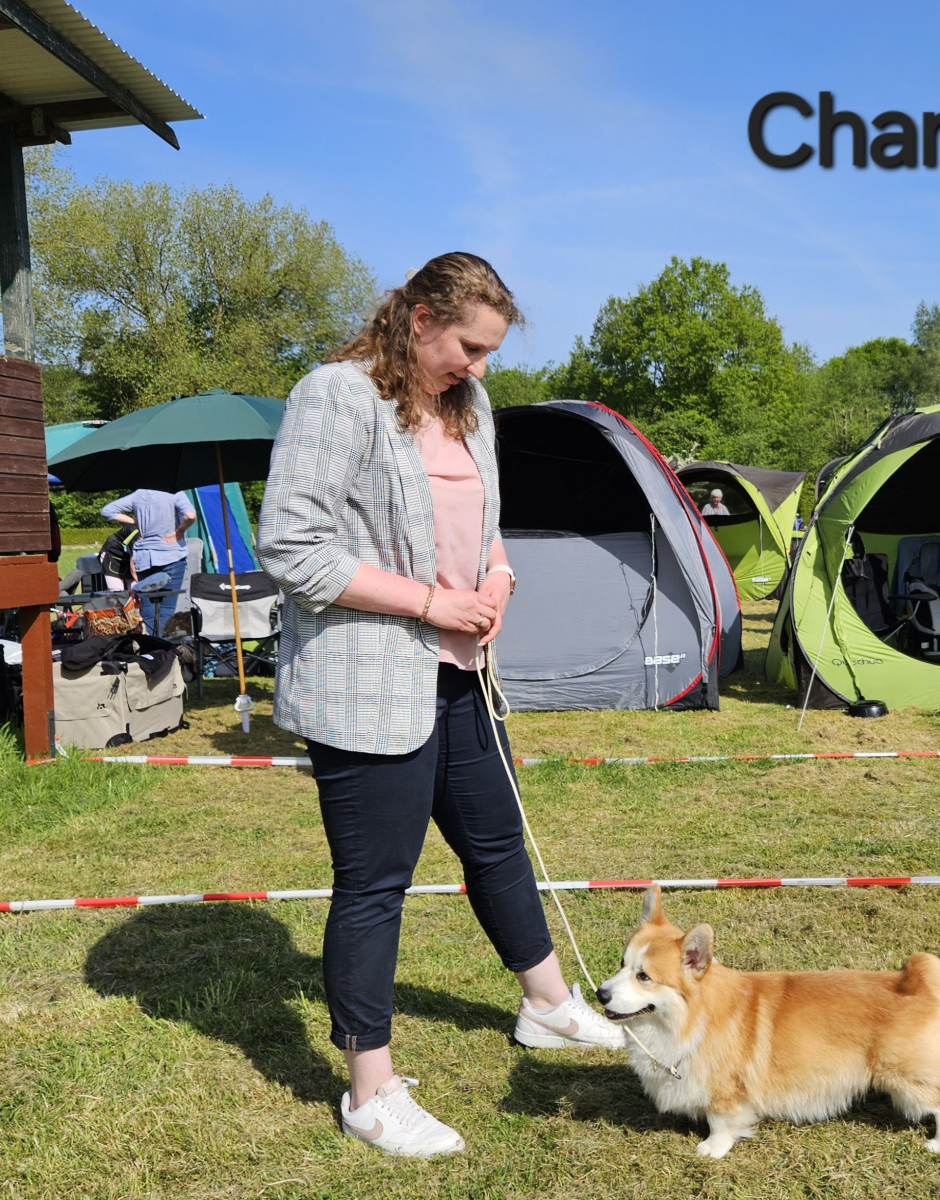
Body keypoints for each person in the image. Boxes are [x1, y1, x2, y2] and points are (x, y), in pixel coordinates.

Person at [258, 253, 622, 1160]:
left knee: (497, 842)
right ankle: (369, 1092)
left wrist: (497, 577)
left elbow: (484, 527)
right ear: (419, 319)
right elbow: (293, 547)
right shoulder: (336, 396)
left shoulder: (472, 405)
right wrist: (430, 604)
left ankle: (547, 1006)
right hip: (369, 681)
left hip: (464, 673)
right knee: (375, 884)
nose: (480, 367)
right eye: (470, 346)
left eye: (490, 352)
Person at [99, 488, 196, 635]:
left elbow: (107, 510)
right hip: (172, 555)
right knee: (167, 609)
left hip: (144, 558)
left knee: (148, 607)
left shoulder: (138, 495)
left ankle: (151, 644)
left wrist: (135, 522)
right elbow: (190, 515)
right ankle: (162, 645)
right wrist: (180, 530)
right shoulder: (174, 492)